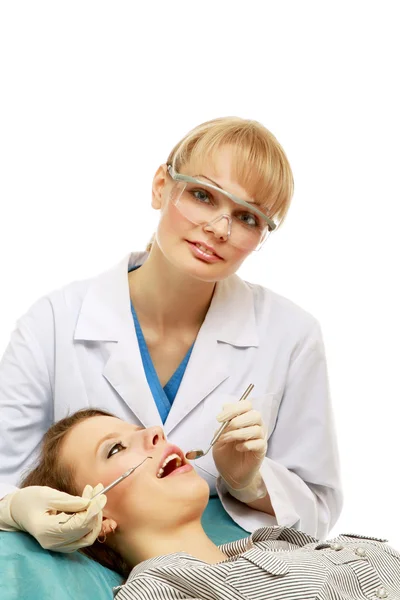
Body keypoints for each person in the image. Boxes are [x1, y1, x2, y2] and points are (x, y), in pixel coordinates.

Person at [0, 117, 342, 552]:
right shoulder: (52, 323)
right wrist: (15, 508)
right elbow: (3, 472)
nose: (220, 229)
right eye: (202, 195)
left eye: (247, 217)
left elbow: (317, 505)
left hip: (240, 567)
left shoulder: (292, 335)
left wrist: (249, 481)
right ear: (162, 185)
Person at [8, 409, 400, 600]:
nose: (156, 431)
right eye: (115, 448)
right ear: (95, 514)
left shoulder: (276, 543)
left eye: (140, 429)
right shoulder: (158, 592)